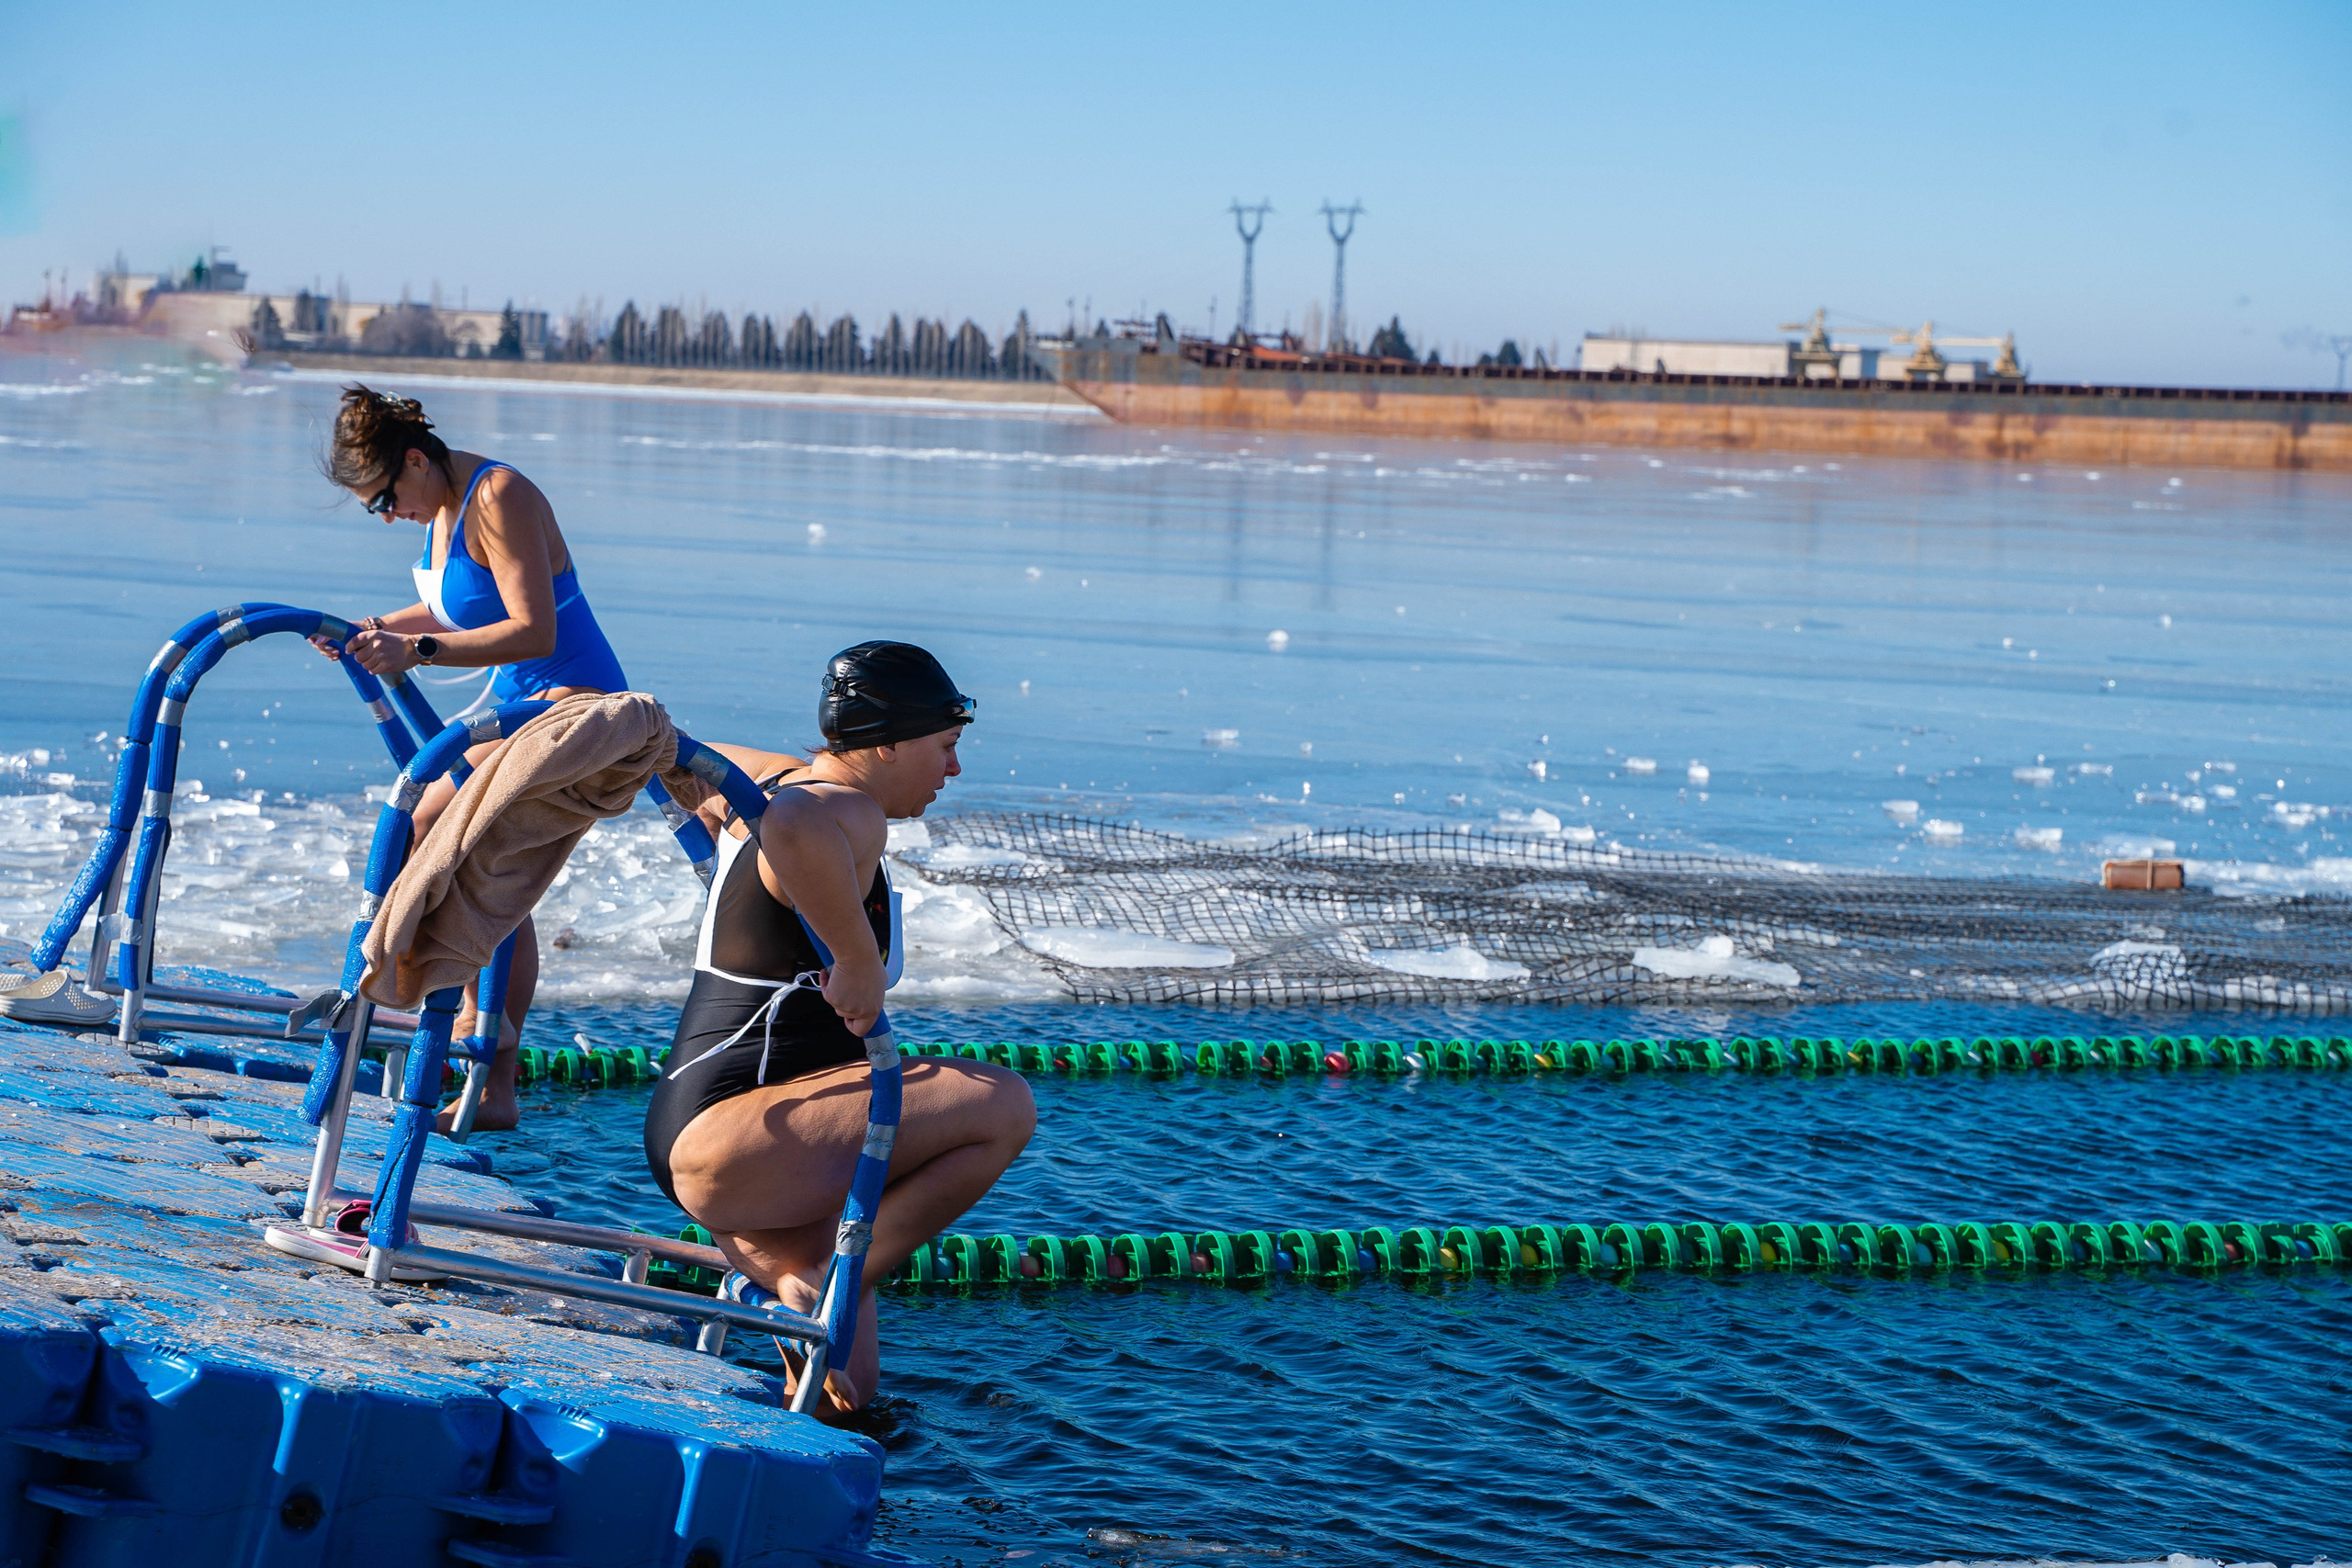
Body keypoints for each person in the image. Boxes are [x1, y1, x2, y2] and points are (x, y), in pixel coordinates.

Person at [642, 643, 1034, 1417]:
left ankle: (811, 1293)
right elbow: (793, 825)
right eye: (945, 747)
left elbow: (674, 751)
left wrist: (701, 789)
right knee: (1004, 1105)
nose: (952, 771)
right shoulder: (838, 806)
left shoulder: (783, 776)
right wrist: (855, 957)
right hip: (741, 1134)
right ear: (886, 742)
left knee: (846, 1393)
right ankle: (840, 1272)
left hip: (724, 1136)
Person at [318, 386, 628, 1132]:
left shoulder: (500, 495)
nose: (387, 516)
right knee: (453, 855)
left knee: (431, 832)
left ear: (417, 460)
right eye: (374, 508)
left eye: (384, 500)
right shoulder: (443, 506)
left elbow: (533, 630)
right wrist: (367, 631)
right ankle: (479, 1046)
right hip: (513, 704)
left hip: (569, 705)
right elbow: (458, 609)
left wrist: (413, 651)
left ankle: (483, 1048)